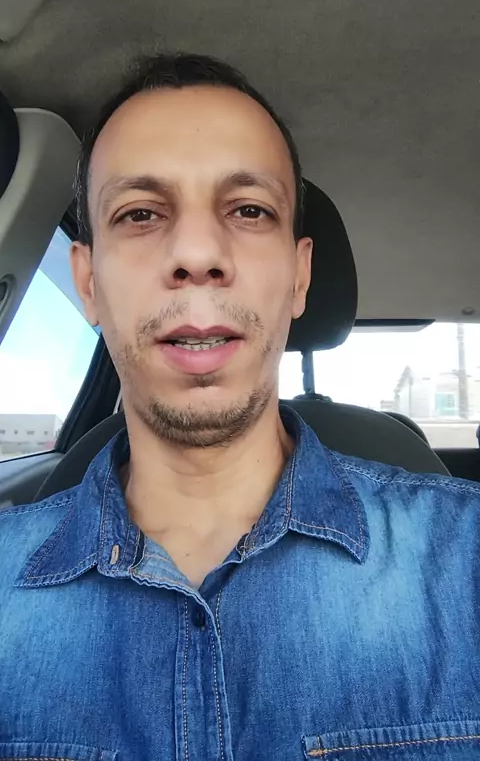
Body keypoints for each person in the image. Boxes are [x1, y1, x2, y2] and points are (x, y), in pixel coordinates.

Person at [1, 53, 480, 761]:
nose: (198, 253)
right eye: (140, 213)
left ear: (300, 275)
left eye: (249, 210)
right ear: (88, 283)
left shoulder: (465, 563)